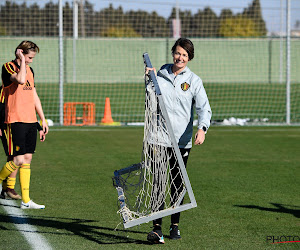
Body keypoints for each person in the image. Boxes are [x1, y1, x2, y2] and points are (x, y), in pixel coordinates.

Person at [145, 38, 212, 243]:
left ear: (189, 58)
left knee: (177, 182)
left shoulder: (194, 81)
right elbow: (149, 100)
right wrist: (148, 80)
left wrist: (202, 129)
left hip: (182, 141)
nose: (180, 57)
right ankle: (157, 228)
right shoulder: (160, 75)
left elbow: (203, 108)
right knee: (157, 181)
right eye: (178, 53)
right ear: (172, 53)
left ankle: (175, 225)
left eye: (185, 55)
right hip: (158, 137)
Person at [0, 40, 48, 209]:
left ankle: (26, 201)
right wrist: (21, 62)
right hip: (15, 119)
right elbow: (20, 80)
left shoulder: (30, 70)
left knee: (27, 159)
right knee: (18, 159)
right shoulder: (8, 67)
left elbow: (33, 95)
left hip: (30, 120)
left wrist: (42, 119)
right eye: (29, 57)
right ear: (20, 53)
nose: (31, 61)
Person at [0, 85, 46, 199]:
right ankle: (8, 188)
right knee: (15, 157)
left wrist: (38, 126)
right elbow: (1, 107)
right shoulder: (5, 88)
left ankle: (7, 188)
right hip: (7, 126)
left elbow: (26, 111)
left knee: (17, 158)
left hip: (20, 125)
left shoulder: (25, 89)